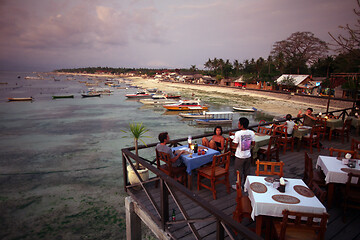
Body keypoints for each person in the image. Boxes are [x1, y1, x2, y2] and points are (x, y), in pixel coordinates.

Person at [232, 117, 255, 189]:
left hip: (240, 156)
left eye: (239, 123)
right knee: (247, 171)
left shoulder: (238, 133)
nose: (238, 124)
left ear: (241, 125)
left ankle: (238, 186)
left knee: (238, 171)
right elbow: (253, 143)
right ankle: (245, 185)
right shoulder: (251, 132)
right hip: (248, 155)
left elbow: (235, 145)